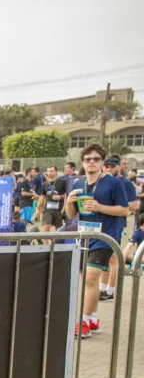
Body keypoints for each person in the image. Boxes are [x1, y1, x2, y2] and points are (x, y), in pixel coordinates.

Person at [66, 144, 129, 337]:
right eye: (88, 159)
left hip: (105, 236)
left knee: (91, 278)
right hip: (84, 236)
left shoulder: (114, 183)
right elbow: (71, 215)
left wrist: (100, 207)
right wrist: (68, 202)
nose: (91, 162)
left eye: (96, 159)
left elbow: (124, 210)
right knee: (87, 280)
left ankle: (84, 322)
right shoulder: (77, 184)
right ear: (82, 163)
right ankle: (92, 319)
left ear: (102, 162)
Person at [100, 156, 139, 301]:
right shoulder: (101, 181)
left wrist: (113, 207)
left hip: (116, 224)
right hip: (100, 224)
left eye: (112, 166)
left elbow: (133, 206)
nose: (109, 169)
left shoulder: (125, 183)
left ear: (118, 167)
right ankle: (102, 288)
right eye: (107, 166)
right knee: (102, 258)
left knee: (112, 257)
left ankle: (110, 290)